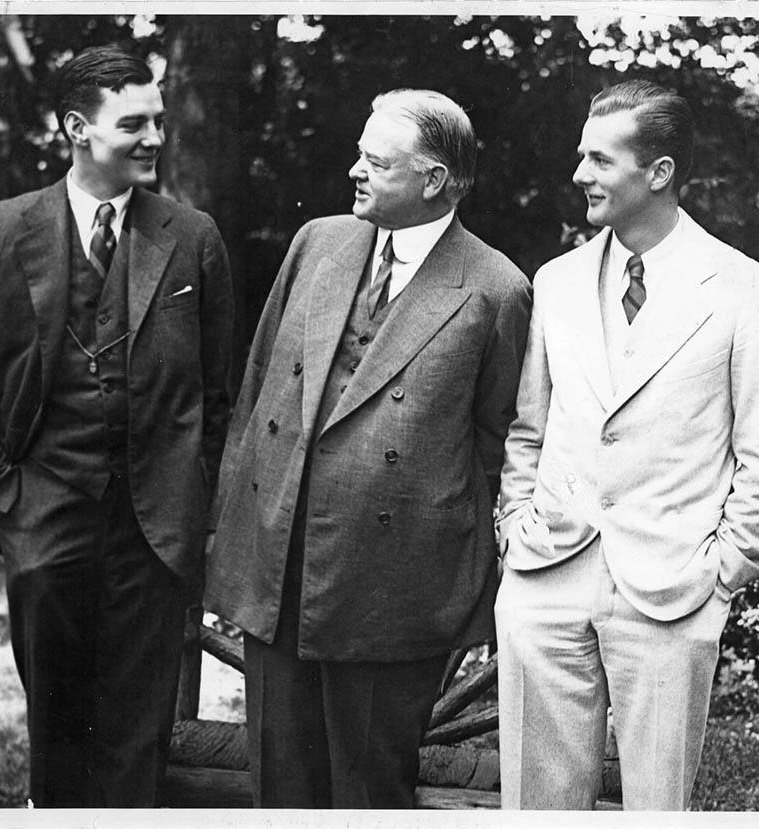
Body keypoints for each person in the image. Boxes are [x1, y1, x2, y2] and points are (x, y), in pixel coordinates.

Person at [204, 88, 531, 808]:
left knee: (369, 787)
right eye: (359, 152)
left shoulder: (496, 288)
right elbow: (258, 386)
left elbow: (496, 440)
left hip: (395, 583)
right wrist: (234, 533)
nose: (354, 169)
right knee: (279, 779)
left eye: (375, 161)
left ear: (434, 180)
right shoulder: (316, 242)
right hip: (281, 563)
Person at [0, 45, 234, 808]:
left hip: (155, 525)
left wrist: (199, 497)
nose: (155, 138)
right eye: (134, 123)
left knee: (139, 726)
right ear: (76, 128)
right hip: (44, 515)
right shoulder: (1, 233)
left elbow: (221, 391)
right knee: (58, 724)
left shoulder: (192, 237)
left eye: (159, 121)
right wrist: (5, 494)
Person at [494, 79, 759, 810]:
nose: (579, 175)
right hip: (547, 576)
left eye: (600, 160)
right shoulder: (558, 282)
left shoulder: (742, 289)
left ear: (658, 172)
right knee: (535, 808)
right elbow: (530, 427)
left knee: (657, 808)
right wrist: (515, 530)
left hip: (672, 592)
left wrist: (725, 572)